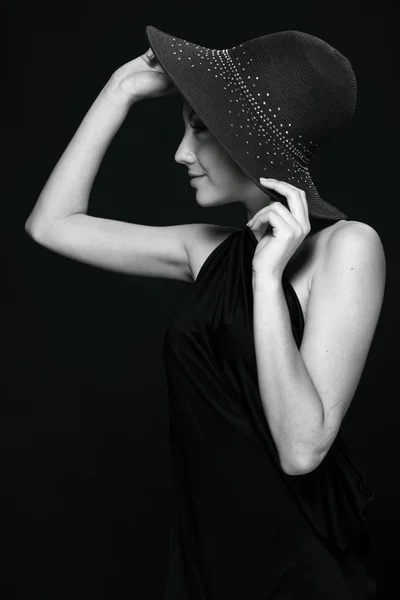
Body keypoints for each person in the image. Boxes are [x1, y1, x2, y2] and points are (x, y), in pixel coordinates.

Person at [25, 25, 385, 599]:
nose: (180, 153)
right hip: (205, 559)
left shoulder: (349, 246)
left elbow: (301, 449)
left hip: (298, 571)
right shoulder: (208, 249)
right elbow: (52, 226)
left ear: (250, 141)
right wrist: (118, 90)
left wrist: (268, 281)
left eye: (199, 130)